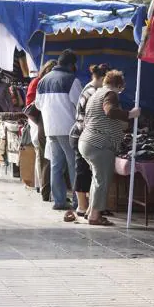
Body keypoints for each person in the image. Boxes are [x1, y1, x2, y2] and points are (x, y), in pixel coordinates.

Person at [79, 70, 139, 226]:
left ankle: (90, 210)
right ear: (118, 85)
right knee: (102, 181)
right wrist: (130, 114)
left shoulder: (95, 94)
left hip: (87, 141)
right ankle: (95, 216)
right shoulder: (110, 94)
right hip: (99, 144)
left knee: (97, 179)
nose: (121, 92)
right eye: (121, 88)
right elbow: (110, 111)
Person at [35, 50, 82, 210]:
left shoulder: (43, 80)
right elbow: (79, 104)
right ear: (71, 65)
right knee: (72, 165)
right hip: (68, 128)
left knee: (56, 165)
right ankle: (78, 201)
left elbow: (37, 105)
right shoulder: (72, 80)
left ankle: (59, 201)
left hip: (50, 128)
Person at [65, 63, 110, 221]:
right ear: (103, 78)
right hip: (81, 134)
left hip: (81, 133)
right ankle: (83, 206)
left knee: (85, 170)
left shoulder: (90, 88)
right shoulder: (93, 91)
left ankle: (87, 206)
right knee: (83, 171)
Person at [25, 60, 56, 200]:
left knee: (44, 156)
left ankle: (42, 186)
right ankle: (42, 186)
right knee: (42, 156)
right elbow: (31, 105)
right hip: (39, 123)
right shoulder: (38, 82)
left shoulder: (45, 83)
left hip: (44, 123)